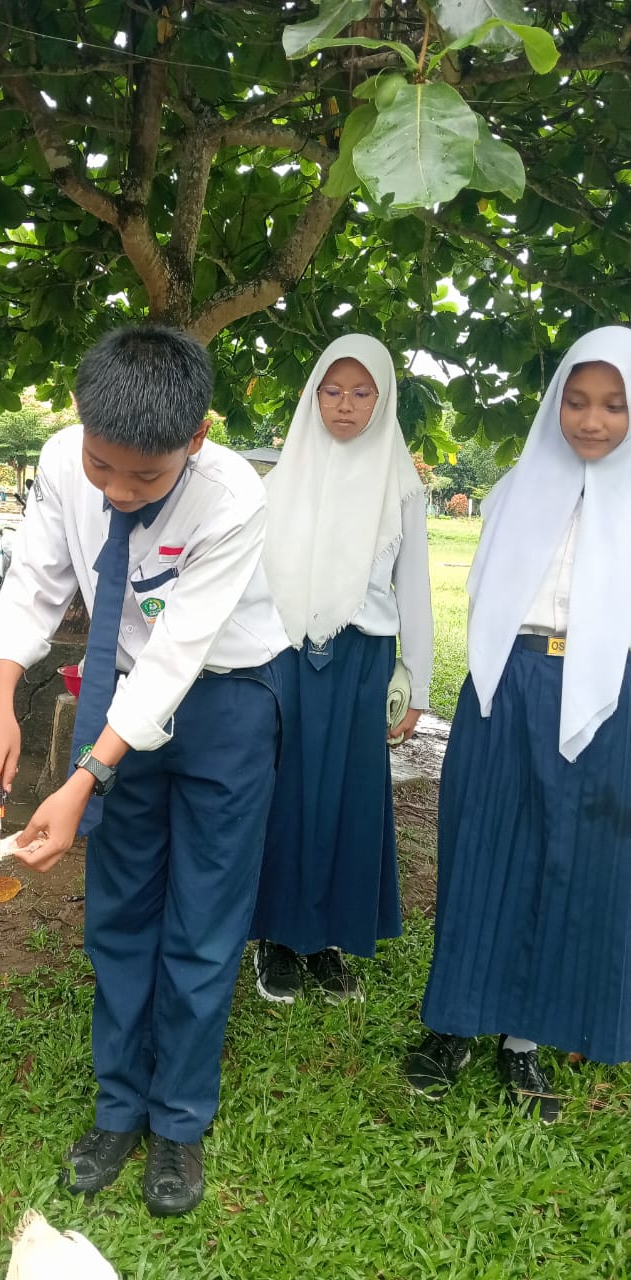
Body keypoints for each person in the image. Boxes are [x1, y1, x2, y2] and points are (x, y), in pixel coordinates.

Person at [0, 324, 288, 1217]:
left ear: (194, 440)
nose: (115, 491)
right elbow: (35, 577)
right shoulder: (65, 458)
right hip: (120, 693)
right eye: (102, 468)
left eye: (144, 479)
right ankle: (118, 1107)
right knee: (119, 911)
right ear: (79, 423)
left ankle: (178, 1120)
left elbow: (180, 653)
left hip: (223, 701)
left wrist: (82, 780)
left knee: (202, 922)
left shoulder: (233, 496)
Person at [405, 326, 631, 1124]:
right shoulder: (513, 488)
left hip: (603, 701)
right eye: (575, 401)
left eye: (612, 404)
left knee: (566, 864)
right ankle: (452, 1026)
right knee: (479, 851)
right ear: (554, 402)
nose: (591, 420)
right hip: (506, 688)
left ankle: (526, 1040)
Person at [250, 335, 433, 1004]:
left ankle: (326, 941)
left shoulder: (399, 487)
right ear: (312, 395)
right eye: (332, 391)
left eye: (361, 393)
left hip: (361, 657)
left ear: (381, 399)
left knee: (350, 798)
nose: (345, 406)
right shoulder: (281, 481)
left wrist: (415, 677)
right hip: (286, 654)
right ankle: (273, 938)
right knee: (286, 790)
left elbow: (413, 587)